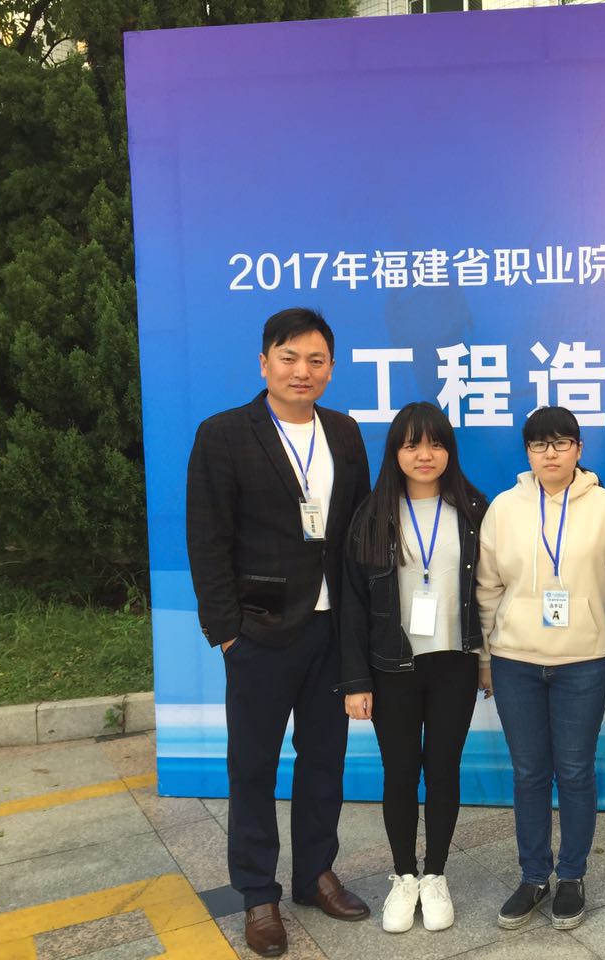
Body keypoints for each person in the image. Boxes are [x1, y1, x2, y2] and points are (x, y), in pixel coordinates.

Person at [185, 308, 372, 957]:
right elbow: (207, 539)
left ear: (330, 368)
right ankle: (258, 893)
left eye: (315, 360)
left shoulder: (344, 433)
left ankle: (315, 873)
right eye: (289, 358)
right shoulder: (224, 434)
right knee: (253, 766)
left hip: (332, 630)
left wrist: (361, 626)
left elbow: (357, 532)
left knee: (324, 760)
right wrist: (227, 632)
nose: (302, 371)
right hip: (259, 633)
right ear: (265, 363)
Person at [476, 406, 605, 932]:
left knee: (574, 772)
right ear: (527, 452)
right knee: (528, 773)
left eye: (562, 443)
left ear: (579, 449)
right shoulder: (504, 507)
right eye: (539, 444)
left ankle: (571, 876)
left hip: (582, 663)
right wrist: (486, 656)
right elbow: (488, 587)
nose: (551, 453)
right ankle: (533, 876)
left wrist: (591, 614)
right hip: (515, 662)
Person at [337, 401, 489, 934]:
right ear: (395, 452)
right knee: (400, 771)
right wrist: (356, 681)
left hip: (455, 663)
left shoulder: (474, 509)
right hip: (391, 667)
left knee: (443, 769)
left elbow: (490, 590)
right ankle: (404, 875)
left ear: (450, 450)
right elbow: (353, 606)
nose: (425, 455)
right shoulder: (371, 515)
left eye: (436, 444)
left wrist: (486, 659)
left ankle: (436, 875)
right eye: (412, 445)